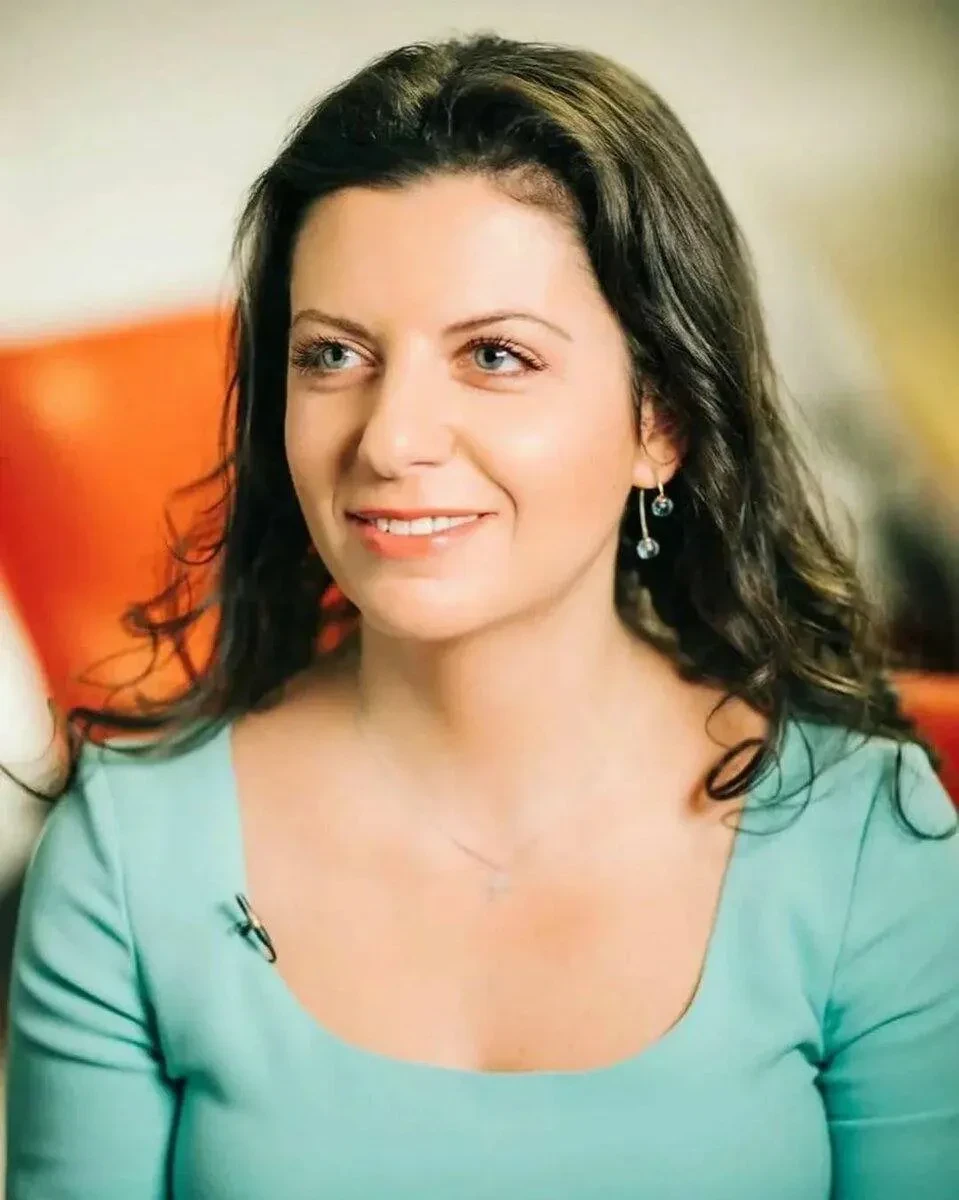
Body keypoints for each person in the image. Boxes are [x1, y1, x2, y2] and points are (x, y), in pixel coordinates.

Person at [5, 33, 958, 1200]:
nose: (391, 438)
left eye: (495, 355)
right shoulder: (126, 850)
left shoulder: (862, 837)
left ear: (660, 419)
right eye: (332, 354)